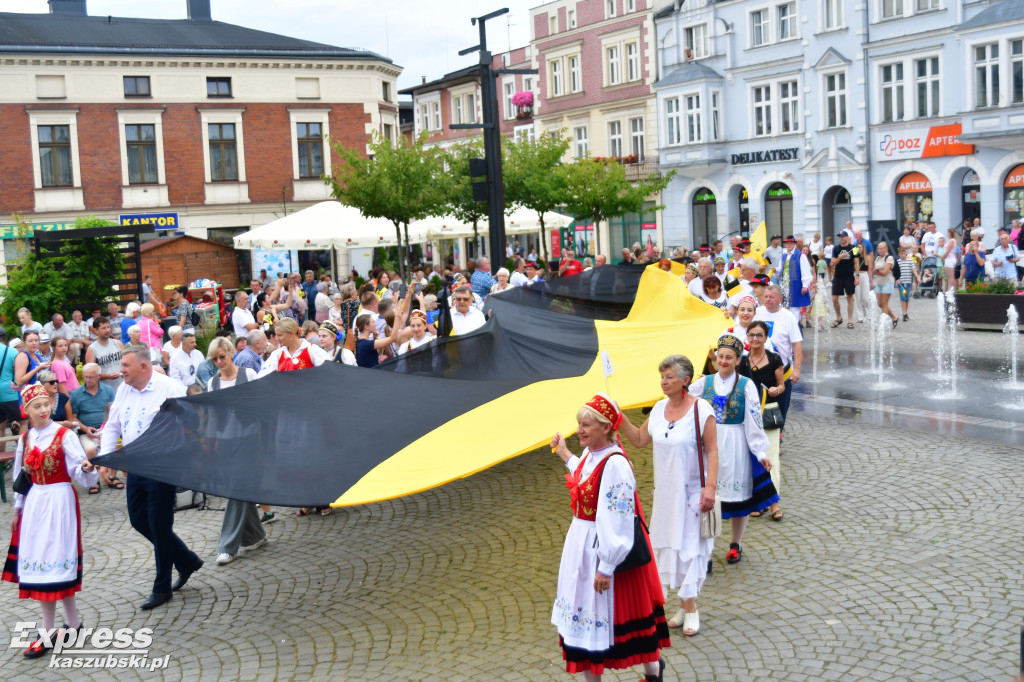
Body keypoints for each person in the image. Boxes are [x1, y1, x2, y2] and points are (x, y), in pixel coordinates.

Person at [550, 393, 669, 682]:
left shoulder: (616, 465)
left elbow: (618, 518)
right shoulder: (593, 453)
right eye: (578, 423)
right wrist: (565, 453)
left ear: (605, 427)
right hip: (581, 543)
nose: (579, 429)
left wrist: (606, 565)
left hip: (600, 546)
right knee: (590, 617)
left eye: (586, 424)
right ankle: (651, 671)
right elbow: (584, 474)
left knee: (608, 617)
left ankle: (653, 673)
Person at [618, 356, 717, 637]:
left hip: (693, 494)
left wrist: (710, 487)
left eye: (670, 376)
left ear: (686, 380)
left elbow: (712, 450)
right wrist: (619, 416)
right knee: (670, 550)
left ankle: (692, 609)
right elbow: (638, 439)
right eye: (662, 376)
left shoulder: (702, 410)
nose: (664, 381)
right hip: (665, 493)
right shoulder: (659, 409)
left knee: (689, 551)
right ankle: (684, 607)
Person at [100, 346, 203, 610]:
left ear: (143, 366)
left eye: (125, 365)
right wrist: (106, 458)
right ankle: (186, 559)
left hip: (162, 466)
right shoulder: (123, 389)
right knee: (139, 520)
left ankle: (162, 588)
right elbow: (112, 425)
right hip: (135, 465)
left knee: (159, 524)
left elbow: (190, 423)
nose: (120, 369)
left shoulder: (170, 388)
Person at [3, 383, 98, 659]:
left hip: (59, 502)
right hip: (35, 503)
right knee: (43, 563)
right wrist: (17, 511)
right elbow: (22, 478)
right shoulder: (25, 439)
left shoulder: (63, 434)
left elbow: (77, 467)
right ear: (27, 410)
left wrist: (85, 468)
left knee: (56, 561)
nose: (44, 410)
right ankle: (74, 625)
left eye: (46, 404)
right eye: (38, 406)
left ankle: (48, 633)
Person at [689, 335, 777, 566]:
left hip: (736, 443)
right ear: (715, 358)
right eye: (721, 356)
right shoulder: (703, 383)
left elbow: (754, 420)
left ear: (738, 360)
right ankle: (706, 551)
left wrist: (760, 453)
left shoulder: (746, 385)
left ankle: (735, 544)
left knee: (739, 499)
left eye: (729, 357)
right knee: (709, 498)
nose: (724, 361)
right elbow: (684, 401)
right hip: (709, 444)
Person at [204, 337, 270, 564]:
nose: (219, 362)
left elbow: (261, 409)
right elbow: (212, 416)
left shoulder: (249, 375)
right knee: (239, 489)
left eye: (222, 356)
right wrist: (210, 444)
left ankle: (227, 546)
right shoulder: (212, 383)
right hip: (225, 443)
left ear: (231, 353)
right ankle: (256, 536)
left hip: (248, 441)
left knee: (235, 489)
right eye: (215, 359)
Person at [737, 321, 785, 522]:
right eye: (751, 335)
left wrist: (777, 389)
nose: (755, 339)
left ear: (766, 338)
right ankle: (759, 501)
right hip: (748, 414)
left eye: (759, 335)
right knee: (754, 458)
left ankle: (774, 504)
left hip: (769, 412)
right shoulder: (743, 361)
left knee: (771, 457)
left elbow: (782, 384)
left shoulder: (774, 359)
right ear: (747, 337)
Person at [258, 318, 330, 376]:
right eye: (276, 335)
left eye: (280, 335)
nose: (277, 338)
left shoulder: (312, 350)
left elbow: (329, 373)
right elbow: (262, 376)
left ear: (291, 333)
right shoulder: (277, 354)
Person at [830, 231, 860, 329]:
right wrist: (840, 257)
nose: (841, 238)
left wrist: (857, 275)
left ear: (847, 237)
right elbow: (832, 263)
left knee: (850, 298)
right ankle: (839, 318)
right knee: (834, 298)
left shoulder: (854, 248)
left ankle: (850, 320)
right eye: (840, 237)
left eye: (843, 236)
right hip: (838, 276)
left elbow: (856, 262)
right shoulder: (836, 248)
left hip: (849, 276)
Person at [779, 236, 813, 324]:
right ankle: (789, 328)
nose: (789, 245)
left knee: (795, 307)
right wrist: (774, 270)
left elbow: (806, 271)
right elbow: (780, 269)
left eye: (791, 243)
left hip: (796, 285)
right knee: (786, 306)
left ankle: (796, 327)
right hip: (785, 285)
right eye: (787, 243)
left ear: (794, 244)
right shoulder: (783, 256)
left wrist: (805, 285)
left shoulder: (800, 255)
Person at [85, 317, 124, 389]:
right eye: (103, 328)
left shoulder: (118, 343)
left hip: (122, 386)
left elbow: (127, 363)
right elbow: (90, 373)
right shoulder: (92, 349)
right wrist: (107, 376)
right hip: (104, 389)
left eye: (108, 327)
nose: (107, 330)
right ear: (96, 330)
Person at [872, 242, 899, 328]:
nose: (879, 250)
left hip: (887, 281)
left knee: (884, 303)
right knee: (880, 304)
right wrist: (876, 271)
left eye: (881, 248)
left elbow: (885, 272)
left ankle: (881, 324)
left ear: (886, 249)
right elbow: (873, 270)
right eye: (878, 248)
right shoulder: (877, 258)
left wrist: (877, 272)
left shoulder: (889, 258)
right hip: (879, 282)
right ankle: (894, 317)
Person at [0, 328, 20, 436]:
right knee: (16, 428)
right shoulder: (12, 351)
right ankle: (19, 451)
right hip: (10, 394)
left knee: (1, 429)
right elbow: (18, 372)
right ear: (5, 337)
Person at [895, 247, 917, 322]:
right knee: (903, 298)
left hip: (908, 282)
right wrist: (896, 279)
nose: (903, 255)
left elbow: (914, 270)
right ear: (899, 254)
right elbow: (895, 272)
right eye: (901, 254)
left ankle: (905, 313)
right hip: (901, 283)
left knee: (907, 298)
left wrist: (917, 277)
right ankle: (904, 313)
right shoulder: (897, 262)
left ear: (906, 253)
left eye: (904, 253)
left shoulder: (910, 261)